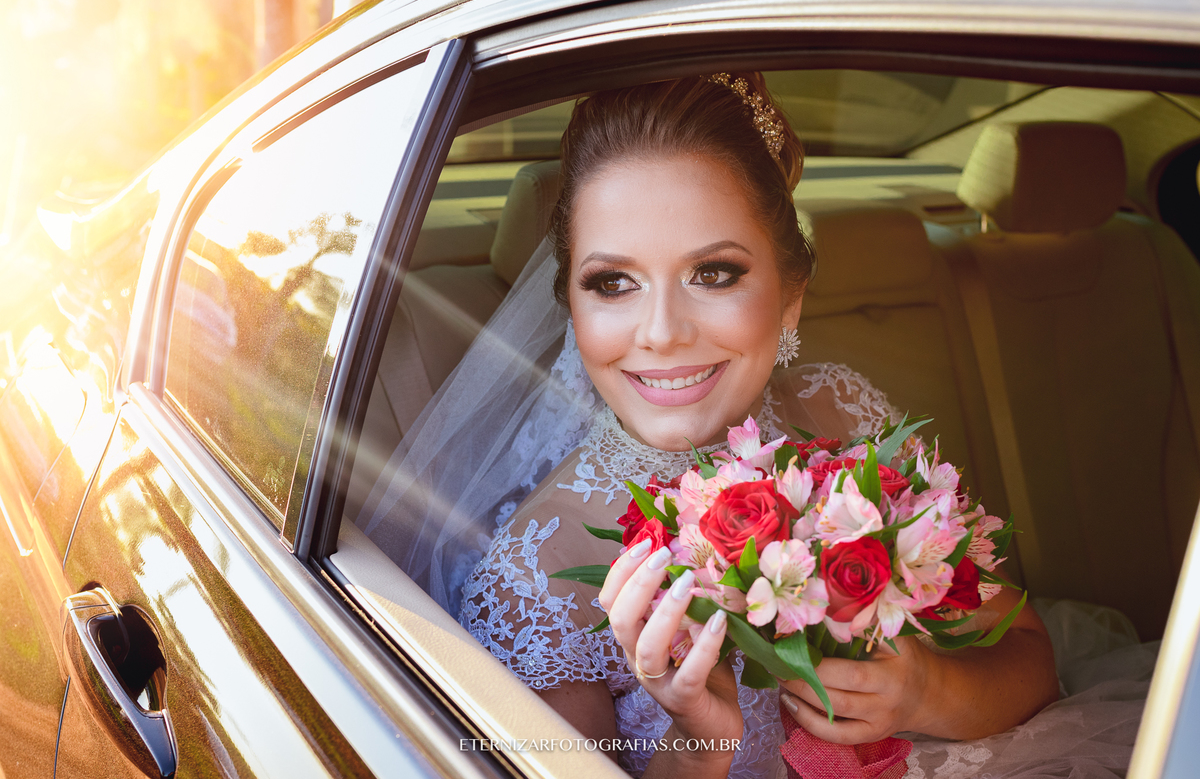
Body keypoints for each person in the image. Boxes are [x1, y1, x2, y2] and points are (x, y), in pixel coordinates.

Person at [358, 73, 1156, 779]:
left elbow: (1028, 656)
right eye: (613, 282)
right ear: (569, 302)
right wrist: (699, 741)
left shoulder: (843, 417)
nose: (663, 330)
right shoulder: (541, 569)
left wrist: (928, 688)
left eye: (714, 272)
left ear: (792, 295)